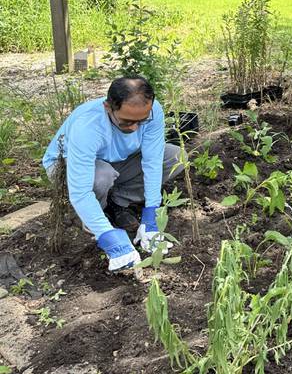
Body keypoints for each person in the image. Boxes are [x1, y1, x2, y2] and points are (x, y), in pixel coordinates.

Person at [41, 76, 185, 272]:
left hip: (117, 160)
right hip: (70, 167)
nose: (134, 128)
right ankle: (95, 219)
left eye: (141, 122)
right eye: (126, 122)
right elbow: (80, 191)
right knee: (101, 176)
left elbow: (152, 161)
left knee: (175, 156)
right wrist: (108, 237)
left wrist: (151, 213)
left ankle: (118, 202)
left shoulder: (152, 111)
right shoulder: (88, 125)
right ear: (108, 107)